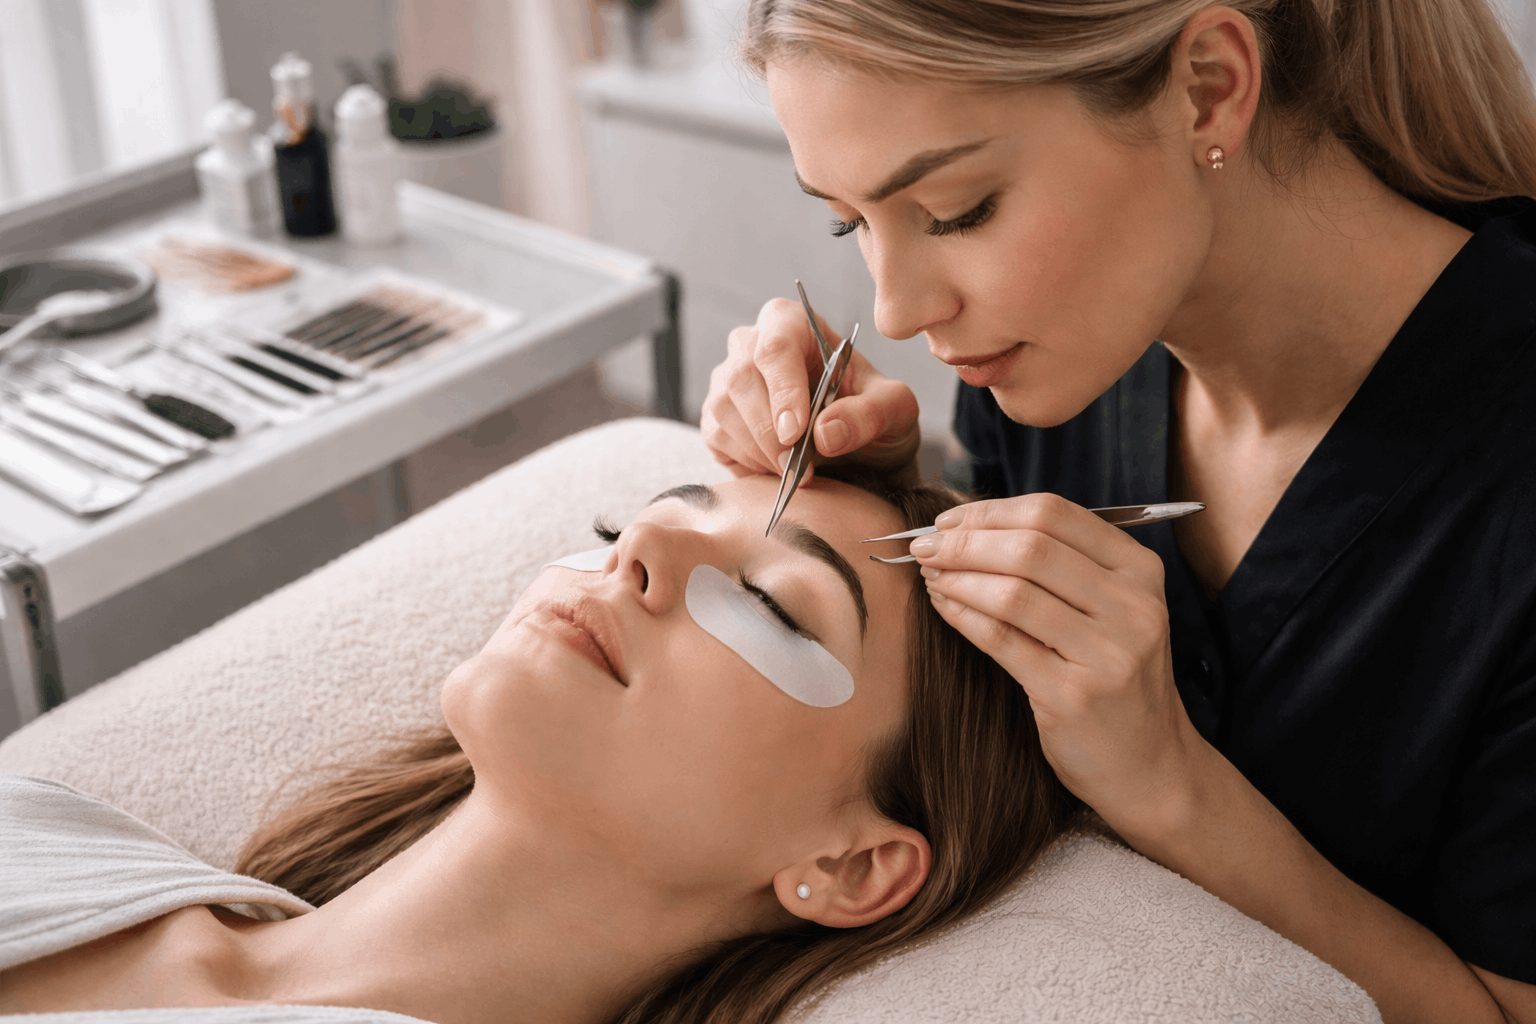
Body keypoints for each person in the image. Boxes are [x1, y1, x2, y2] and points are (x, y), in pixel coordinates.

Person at [700, 1, 1536, 1020]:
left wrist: (1170, 784)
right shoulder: (1062, 368)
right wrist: (884, 487)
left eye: (957, 210)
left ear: (1208, 90)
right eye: (849, 221)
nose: (899, 311)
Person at [0, 473, 1075, 1024]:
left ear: (849, 865)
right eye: (625, 525)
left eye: (767, 602)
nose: (641, 548)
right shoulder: (53, 829)